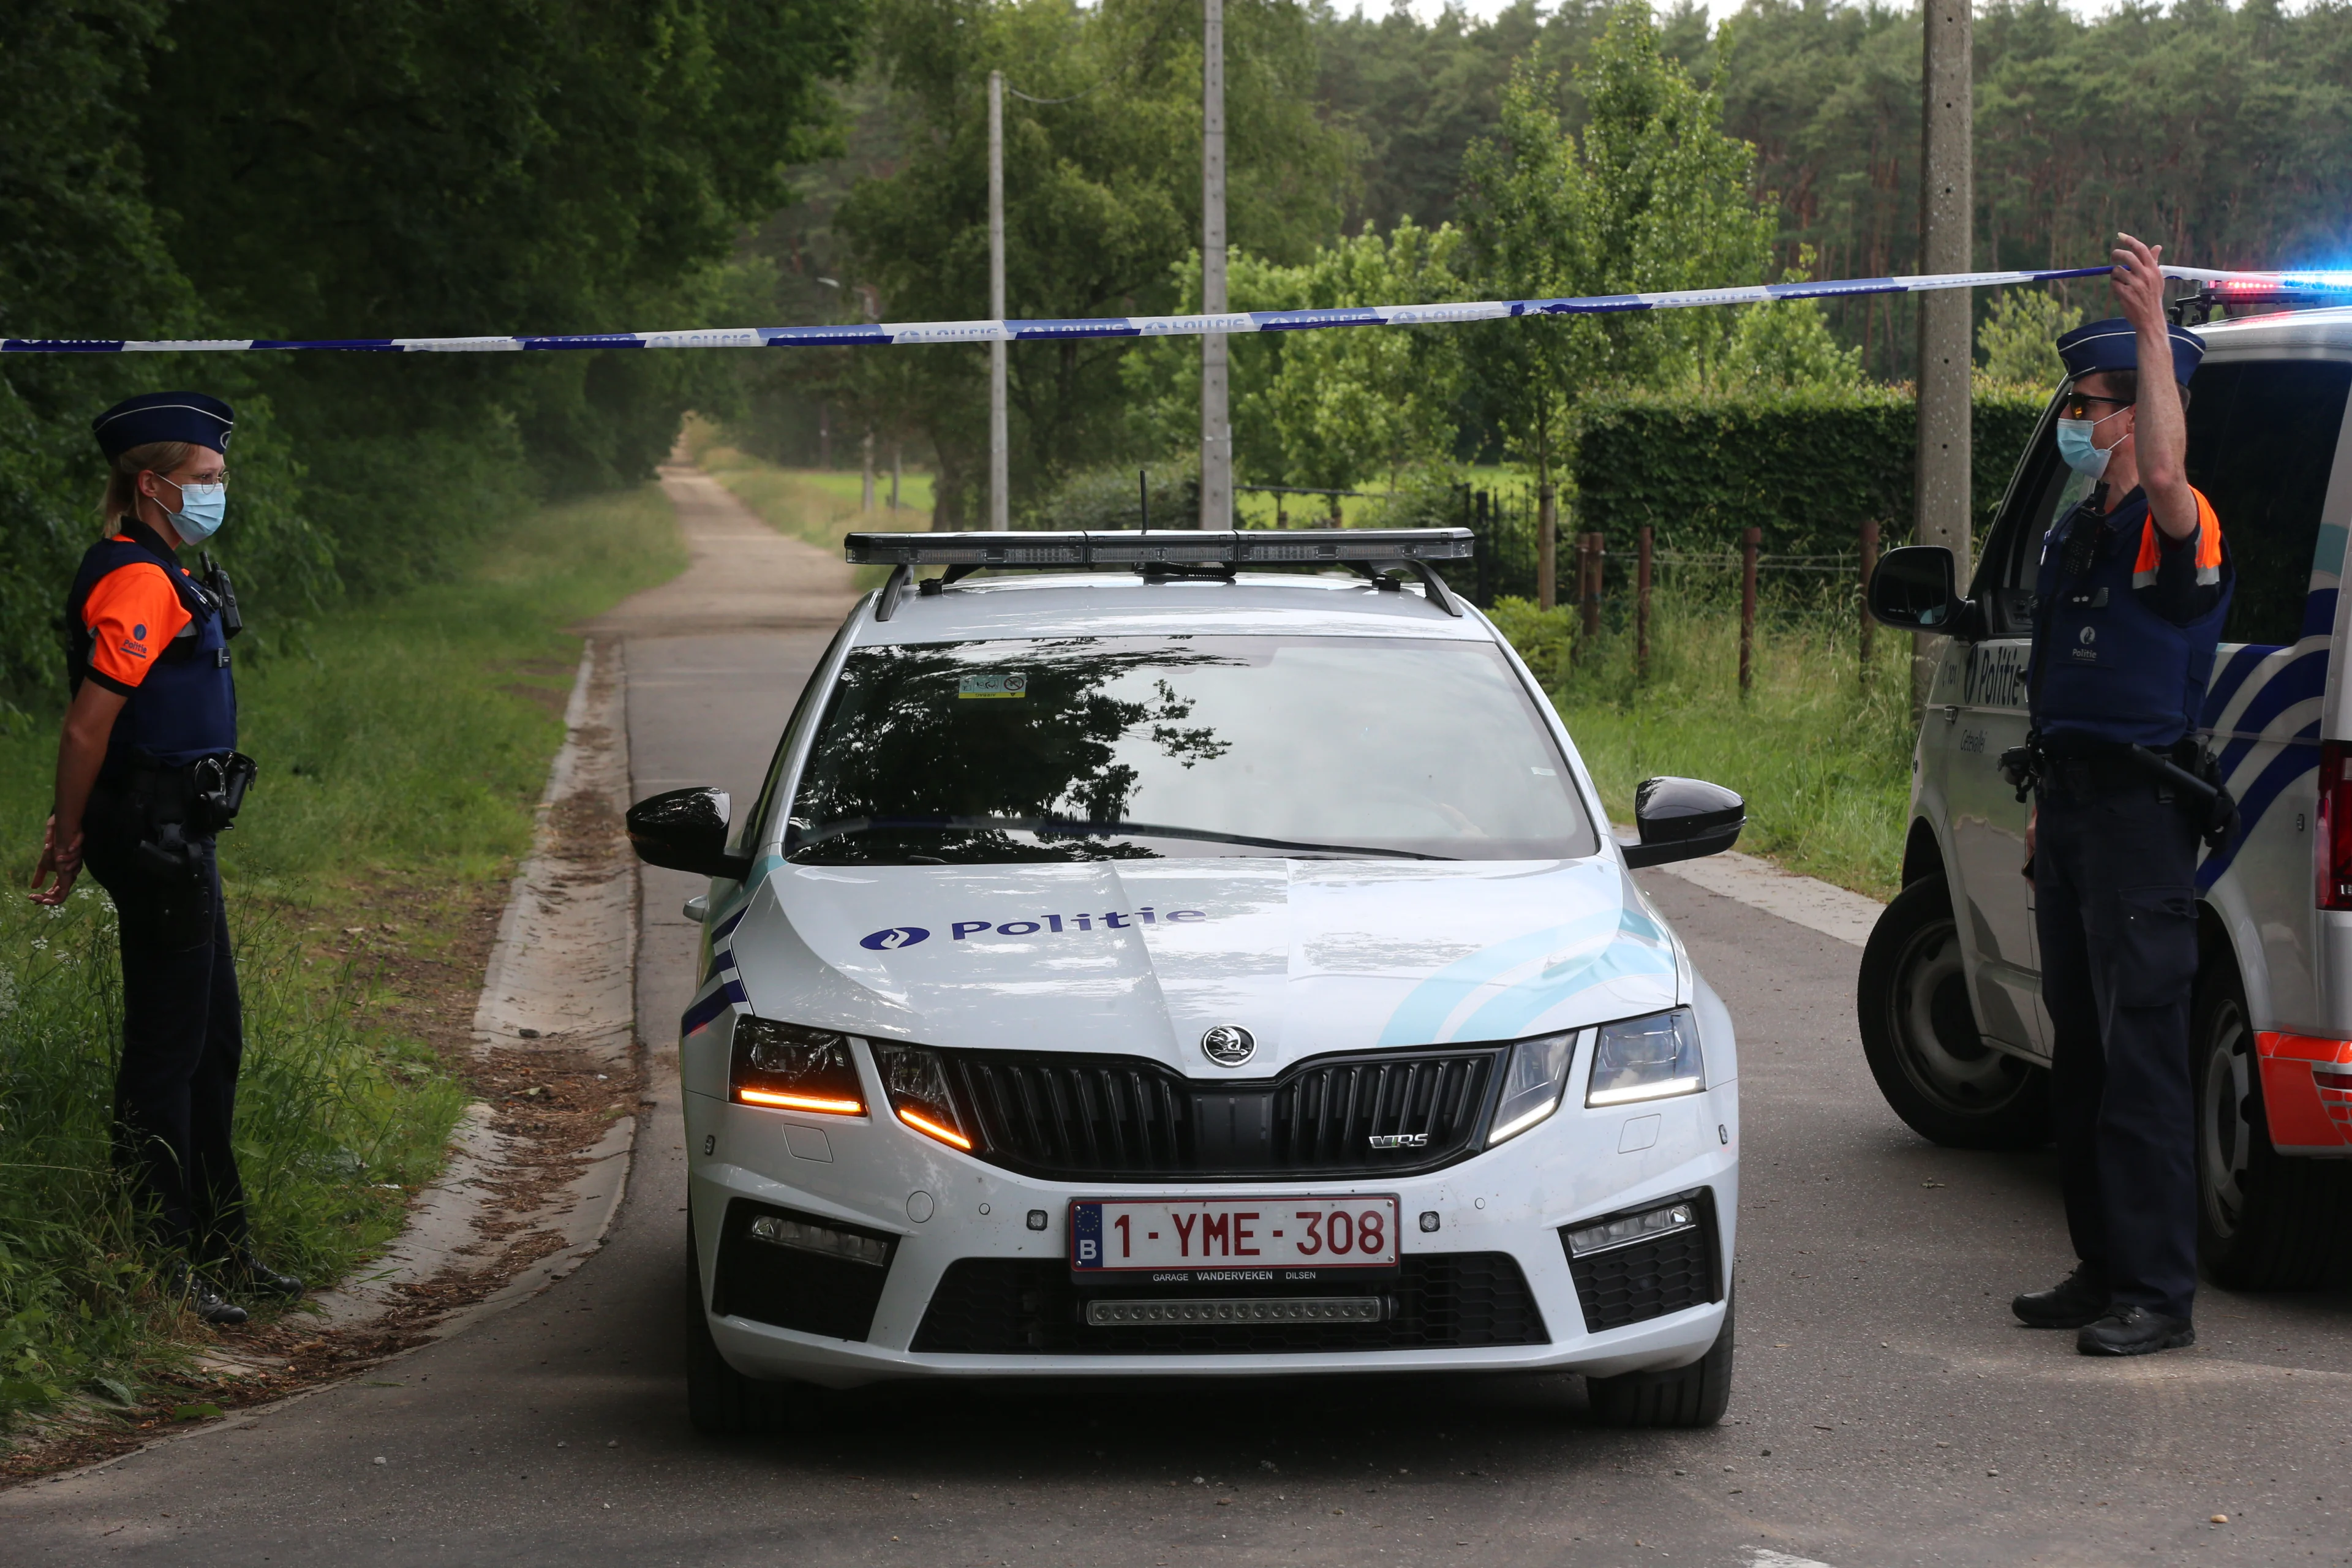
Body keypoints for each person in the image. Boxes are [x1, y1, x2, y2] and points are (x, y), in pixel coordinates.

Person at [28, 391, 301, 1327]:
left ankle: (223, 1243)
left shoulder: (166, 569)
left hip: (184, 831)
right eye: (207, 480)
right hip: (152, 837)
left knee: (214, 1042)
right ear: (153, 485)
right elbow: (85, 726)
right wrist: (66, 837)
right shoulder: (136, 578)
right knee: (167, 1052)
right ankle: (160, 1253)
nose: (220, 492)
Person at [2010, 234, 2230, 1357]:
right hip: (2077, 812)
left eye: (2092, 403)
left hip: (2145, 820)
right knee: (2083, 1057)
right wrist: (2047, 804)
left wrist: (2152, 331)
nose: (2079, 418)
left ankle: (2158, 1295)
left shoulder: (2170, 516)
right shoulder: (2073, 532)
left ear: (2141, 413)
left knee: (2143, 1058)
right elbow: (2060, 684)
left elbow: (2163, 475)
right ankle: (2101, 1269)